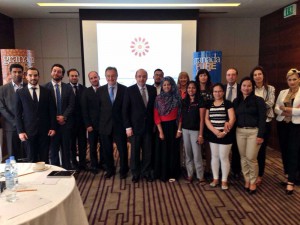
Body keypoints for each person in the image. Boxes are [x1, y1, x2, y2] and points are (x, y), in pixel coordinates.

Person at [15, 67, 56, 162]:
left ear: (39, 77)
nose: (33, 77)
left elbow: (52, 111)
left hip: (45, 131)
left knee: (44, 159)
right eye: (30, 75)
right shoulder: (20, 93)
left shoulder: (47, 92)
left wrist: (53, 127)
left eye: (35, 75)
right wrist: (20, 131)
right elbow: (17, 114)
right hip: (28, 132)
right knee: (31, 159)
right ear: (26, 77)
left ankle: (44, 177)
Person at [233, 77, 266, 195]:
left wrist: (260, 135)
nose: (246, 88)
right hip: (240, 131)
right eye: (244, 86)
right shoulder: (236, 101)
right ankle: (246, 180)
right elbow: (233, 118)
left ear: (252, 87)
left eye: (249, 86)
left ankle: (253, 181)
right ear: (240, 87)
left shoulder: (259, 100)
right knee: (243, 157)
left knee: (251, 158)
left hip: (254, 132)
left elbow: (263, 119)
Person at [123, 69, 156, 183]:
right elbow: (125, 110)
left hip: (148, 127)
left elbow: (153, 109)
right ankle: (135, 173)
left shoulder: (152, 89)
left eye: (144, 76)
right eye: (139, 76)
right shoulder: (129, 90)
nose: (142, 78)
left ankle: (146, 172)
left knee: (148, 152)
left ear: (147, 77)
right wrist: (128, 127)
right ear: (136, 77)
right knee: (135, 152)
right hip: (134, 128)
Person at [98, 67, 129, 179]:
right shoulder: (100, 90)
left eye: (113, 75)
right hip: (105, 126)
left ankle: (123, 170)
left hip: (120, 126)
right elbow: (98, 109)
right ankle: (110, 169)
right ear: (105, 77)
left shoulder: (124, 89)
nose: (111, 78)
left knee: (123, 150)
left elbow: (126, 109)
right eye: (108, 76)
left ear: (116, 76)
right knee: (107, 150)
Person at [205, 83, 236, 190]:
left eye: (219, 91)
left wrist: (224, 132)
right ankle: (215, 178)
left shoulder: (228, 103)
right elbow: (206, 119)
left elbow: (232, 119)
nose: (217, 93)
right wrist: (215, 131)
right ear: (212, 93)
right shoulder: (209, 104)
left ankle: (224, 180)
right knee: (214, 157)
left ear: (223, 92)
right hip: (213, 134)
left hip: (226, 135)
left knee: (224, 157)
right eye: (215, 91)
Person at [44, 64, 75, 169]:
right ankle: (55, 171)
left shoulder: (68, 87)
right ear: (51, 72)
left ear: (62, 74)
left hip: (65, 124)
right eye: (54, 71)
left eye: (59, 72)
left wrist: (64, 117)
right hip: (51, 126)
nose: (56, 73)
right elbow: (44, 108)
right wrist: (54, 119)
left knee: (66, 149)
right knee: (53, 151)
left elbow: (71, 105)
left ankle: (67, 170)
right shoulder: (44, 88)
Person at [275, 68, 300, 195]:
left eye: (294, 79)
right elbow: (276, 108)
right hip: (283, 124)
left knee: (294, 151)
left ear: (299, 79)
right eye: (289, 79)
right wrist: (284, 110)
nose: (292, 82)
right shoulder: (283, 92)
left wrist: (289, 110)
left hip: (296, 126)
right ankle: (287, 174)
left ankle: (291, 180)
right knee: (284, 150)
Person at [250, 66, 275, 186]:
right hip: (253, 122)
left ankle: (259, 175)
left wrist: (256, 107)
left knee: (261, 149)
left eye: (259, 74)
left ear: (263, 75)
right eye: (255, 75)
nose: (257, 76)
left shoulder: (270, 89)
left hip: (265, 122)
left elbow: (270, 103)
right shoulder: (250, 88)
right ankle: (251, 172)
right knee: (251, 150)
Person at [154, 76, 181, 182]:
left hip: (174, 127)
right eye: (164, 85)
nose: (166, 86)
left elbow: (180, 115)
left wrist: (179, 130)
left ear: (172, 85)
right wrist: (160, 131)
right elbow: (156, 115)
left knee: (173, 151)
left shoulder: (177, 98)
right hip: (162, 128)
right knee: (163, 151)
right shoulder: (158, 98)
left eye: (168, 84)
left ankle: (173, 173)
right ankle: (163, 174)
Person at [0, 64, 26, 159]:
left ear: (23, 74)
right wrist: (15, 122)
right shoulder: (2, 89)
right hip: (11, 126)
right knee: (13, 155)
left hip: (27, 126)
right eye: (14, 72)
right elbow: (2, 108)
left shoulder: (28, 86)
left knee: (29, 154)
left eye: (19, 72)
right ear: (10, 74)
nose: (17, 74)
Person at [181, 81, 205, 184]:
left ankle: (200, 176)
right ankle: (190, 175)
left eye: (193, 88)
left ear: (197, 89)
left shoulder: (200, 101)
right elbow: (181, 117)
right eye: (189, 88)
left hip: (196, 131)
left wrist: (200, 134)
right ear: (186, 89)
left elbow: (202, 119)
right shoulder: (184, 101)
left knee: (197, 155)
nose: (191, 90)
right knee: (188, 154)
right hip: (185, 130)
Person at [81, 71, 104, 174]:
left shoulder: (104, 90)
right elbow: (84, 110)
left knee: (104, 145)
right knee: (93, 146)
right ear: (89, 80)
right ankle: (94, 165)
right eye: (91, 78)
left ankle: (103, 163)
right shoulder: (86, 92)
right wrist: (88, 125)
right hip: (92, 126)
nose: (94, 79)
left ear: (99, 77)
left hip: (104, 124)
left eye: (95, 77)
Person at [67, 68, 87, 170]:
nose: (74, 77)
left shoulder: (84, 89)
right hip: (69, 123)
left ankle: (83, 163)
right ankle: (74, 163)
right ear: (68, 77)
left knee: (83, 144)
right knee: (72, 145)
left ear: (78, 76)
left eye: (76, 75)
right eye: (72, 76)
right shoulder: (65, 88)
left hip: (82, 123)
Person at [195, 69, 213, 179]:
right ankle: (199, 169)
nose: (203, 77)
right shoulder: (194, 89)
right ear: (198, 77)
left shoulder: (212, 89)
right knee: (198, 147)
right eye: (201, 75)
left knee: (208, 147)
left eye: (205, 75)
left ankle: (208, 169)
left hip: (210, 121)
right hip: (196, 121)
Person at [224, 68, 241, 179]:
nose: (231, 77)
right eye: (229, 74)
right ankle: (223, 170)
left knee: (236, 148)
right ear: (226, 76)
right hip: (223, 122)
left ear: (236, 76)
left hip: (238, 122)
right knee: (224, 148)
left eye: (233, 75)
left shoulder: (242, 88)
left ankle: (236, 170)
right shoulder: (221, 88)